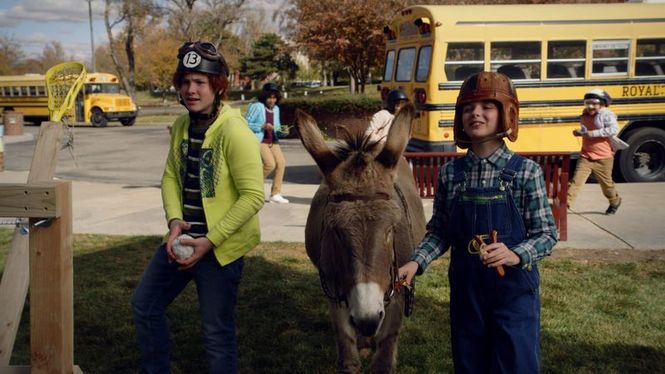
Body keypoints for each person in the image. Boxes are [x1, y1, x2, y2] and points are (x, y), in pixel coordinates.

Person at [398, 72, 558, 373]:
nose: (476, 113)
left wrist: (515, 254)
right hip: (466, 293)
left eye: (488, 105)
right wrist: (415, 263)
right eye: (469, 107)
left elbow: (547, 234)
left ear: (507, 113)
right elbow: (440, 231)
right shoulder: (450, 174)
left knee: (516, 364)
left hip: (514, 294)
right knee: (469, 363)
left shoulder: (526, 172)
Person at [131, 41, 264, 373]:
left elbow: (253, 196)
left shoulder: (235, 131)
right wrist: (174, 221)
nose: (191, 89)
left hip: (218, 250)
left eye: (200, 82)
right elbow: (171, 177)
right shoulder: (181, 125)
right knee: (144, 306)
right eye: (186, 81)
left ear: (217, 86)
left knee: (217, 335)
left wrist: (210, 241)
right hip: (181, 242)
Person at [567, 88, 626, 215]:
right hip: (586, 156)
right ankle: (564, 207)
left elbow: (613, 130)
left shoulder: (606, 114)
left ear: (602, 104)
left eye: (594, 103)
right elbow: (585, 130)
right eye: (587, 103)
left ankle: (614, 201)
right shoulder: (585, 114)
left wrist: (592, 134)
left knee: (607, 186)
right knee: (575, 183)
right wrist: (579, 132)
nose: (590, 106)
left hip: (604, 158)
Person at [246, 82, 290, 204]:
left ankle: (275, 194)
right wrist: (262, 126)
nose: (272, 100)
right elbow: (246, 123)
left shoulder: (276, 109)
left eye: (274, 97)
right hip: (261, 140)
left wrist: (282, 131)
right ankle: (252, 188)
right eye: (269, 97)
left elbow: (277, 126)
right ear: (264, 97)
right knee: (270, 164)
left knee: (281, 163)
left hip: (273, 140)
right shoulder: (256, 106)